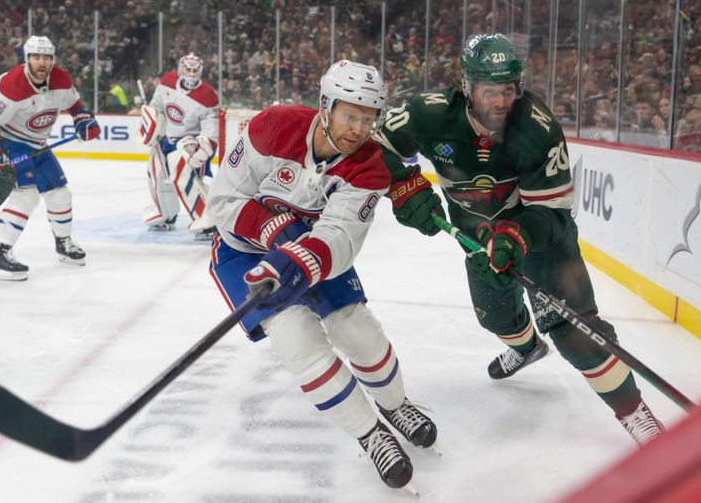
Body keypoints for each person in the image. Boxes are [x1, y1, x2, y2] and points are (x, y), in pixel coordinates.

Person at [375, 34, 664, 447]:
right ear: (466, 87)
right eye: (487, 90)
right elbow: (377, 147)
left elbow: (552, 214)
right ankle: (528, 348)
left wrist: (517, 233)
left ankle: (636, 413)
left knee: (574, 332)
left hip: (542, 242)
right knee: (495, 317)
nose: (498, 101)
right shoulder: (428, 114)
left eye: (507, 90)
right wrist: (403, 186)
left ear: (519, 87)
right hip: (477, 242)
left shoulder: (537, 128)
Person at [206, 60, 437, 491]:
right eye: (350, 115)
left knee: (358, 330)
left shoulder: (369, 165)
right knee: (297, 340)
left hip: (315, 253)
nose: (358, 128)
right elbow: (222, 200)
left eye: (368, 119)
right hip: (242, 253)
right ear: (325, 106)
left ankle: (396, 405)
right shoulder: (272, 127)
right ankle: (372, 435)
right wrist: (273, 231)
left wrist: (297, 255)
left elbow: (342, 237)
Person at [0, 35, 100, 281]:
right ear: (27, 58)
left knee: (60, 192)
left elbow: (74, 102)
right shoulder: (11, 85)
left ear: (52, 59)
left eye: (46, 57)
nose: (41, 62)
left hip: (38, 145)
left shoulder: (61, 78)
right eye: (36, 57)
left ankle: (63, 243)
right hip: (12, 143)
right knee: (26, 195)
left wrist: (82, 117)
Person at [139, 53, 219, 238]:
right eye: (187, 69)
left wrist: (204, 149)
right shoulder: (166, 81)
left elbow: (211, 130)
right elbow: (156, 107)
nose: (191, 73)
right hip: (167, 138)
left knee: (183, 174)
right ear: (180, 68)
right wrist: (151, 124)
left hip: (189, 142)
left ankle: (206, 219)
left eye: (195, 70)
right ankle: (165, 213)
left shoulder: (208, 95)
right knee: (154, 171)